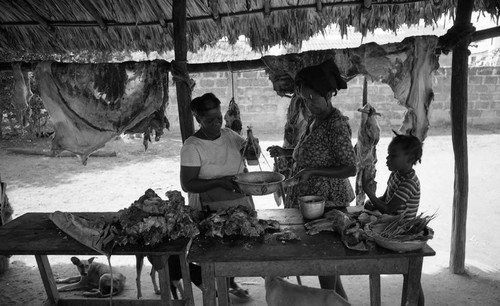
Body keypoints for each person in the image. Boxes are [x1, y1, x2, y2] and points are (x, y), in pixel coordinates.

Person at [267, 58, 357, 299]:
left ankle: (337, 302)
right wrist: (285, 152)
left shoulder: (336, 125)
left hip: (329, 204)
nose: (307, 104)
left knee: (326, 266)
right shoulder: (316, 120)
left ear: (328, 94)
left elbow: (350, 168)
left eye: (312, 99)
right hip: (313, 202)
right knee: (324, 268)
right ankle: (340, 302)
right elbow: (312, 151)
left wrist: (314, 172)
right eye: (303, 99)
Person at [180, 92, 255, 299]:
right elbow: (187, 184)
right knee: (214, 253)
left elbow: (250, 156)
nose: (216, 123)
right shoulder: (192, 146)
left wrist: (252, 146)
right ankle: (213, 291)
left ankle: (228, 284)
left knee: (235, 251)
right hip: (209, 209)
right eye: (209, 119)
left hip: (239, 204)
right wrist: (221, 181)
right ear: (198, 119)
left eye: (218, 118)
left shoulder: (230, 135)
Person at [362, 133, 425, 306]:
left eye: (393, 156)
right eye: (388, 154)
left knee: (411, 277)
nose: (388, 159)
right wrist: (372, 202)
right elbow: (386, 199)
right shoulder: (397, 174)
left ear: (409, 159)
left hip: (401, 232)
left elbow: (390, 208)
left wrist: (369, 192)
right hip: (391, 223)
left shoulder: (409, 182)